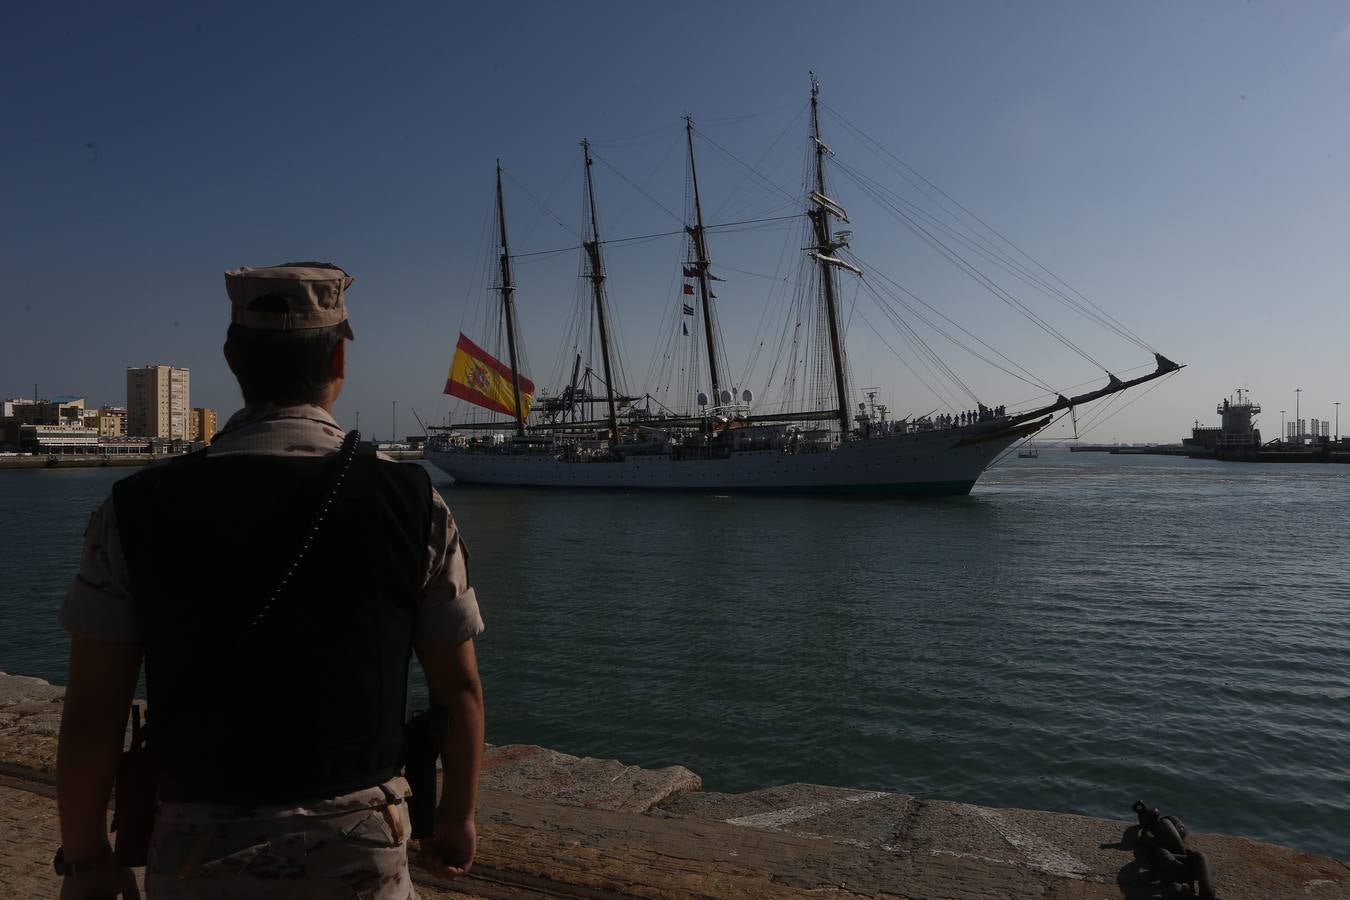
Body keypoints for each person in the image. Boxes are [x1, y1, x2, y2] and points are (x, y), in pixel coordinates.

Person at [55, 262, 485, 899]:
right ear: (340, 361)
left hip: (197, 848)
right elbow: (461, 691)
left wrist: (90, 857)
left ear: (232, 359)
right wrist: (454, 816)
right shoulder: (415, 502)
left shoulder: (133, 509)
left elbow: (93, 712)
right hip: (361, 845)